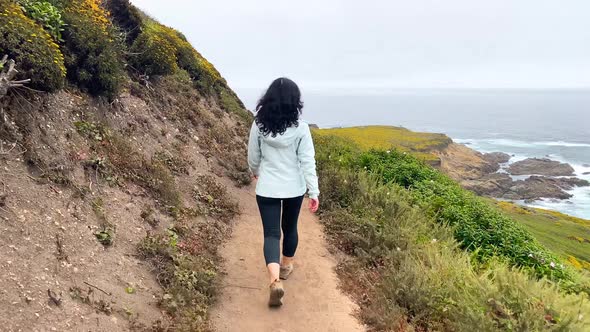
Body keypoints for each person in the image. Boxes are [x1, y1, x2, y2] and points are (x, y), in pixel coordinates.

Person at [247, 77, 320, 307]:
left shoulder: (259, 124)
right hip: (294, 188)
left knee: (271, 234)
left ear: (268, 99)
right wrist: (313, 191)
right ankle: (286, 265)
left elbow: (253, 155)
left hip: (268, 186)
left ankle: (275, 280)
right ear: (294, 101)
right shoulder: (301, 129)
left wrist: (255, 171)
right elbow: (308, 161)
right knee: (290, 227)